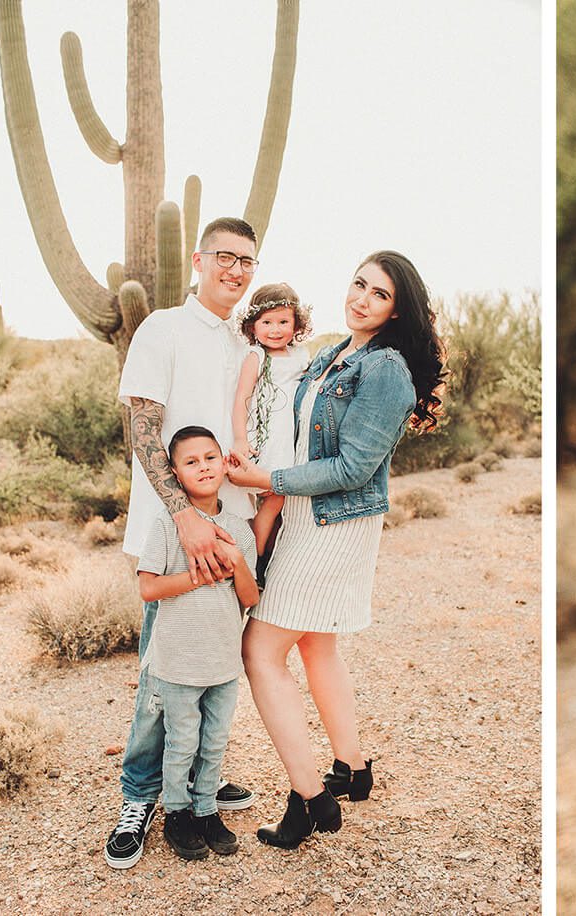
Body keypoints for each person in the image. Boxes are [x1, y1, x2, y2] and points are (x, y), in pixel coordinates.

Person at [226, 250, 447, 849]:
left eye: (379, 295)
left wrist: (266, 481)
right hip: (306, 512)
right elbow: (299, 435)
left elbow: (351, 467)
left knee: (261, 650)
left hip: (334, 522)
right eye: (359, 285)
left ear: (398, 310)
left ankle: (309, 798)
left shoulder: (386, 369)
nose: (362, 299)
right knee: (318, 644)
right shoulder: (333, 352)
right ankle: (352, 767)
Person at [107, 216, 262, 870]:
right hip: (172, 532)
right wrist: (184, 515)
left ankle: (198, 787)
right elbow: (143, 427)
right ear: (198, 259)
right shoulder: (162, 328)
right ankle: (140, 798)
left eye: (247, 261)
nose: (235, 270)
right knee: (160, 680)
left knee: (215, 666)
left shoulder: (244, 342)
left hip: (233, 526)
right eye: (225, 256)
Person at [132, 427, 259, 862]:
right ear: (174, 472)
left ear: (225, 462)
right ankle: (178, 813)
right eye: (191, 461)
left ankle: (206, 810)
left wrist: (238, 562)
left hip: (223, 660)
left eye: (210, 457)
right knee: (181, 741)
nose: (203, 467)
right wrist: (200, 576)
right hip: (177, 662)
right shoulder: (169, 526)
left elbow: (250, 597)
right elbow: (148, 589)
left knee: (214, 740)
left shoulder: (238, 529)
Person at [229, 282, 313, 565]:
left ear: (296, 324)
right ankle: (256, 558)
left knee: (282, 500)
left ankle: (266, 556)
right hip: (268, 437)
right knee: (273, 497)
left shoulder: (301, 356)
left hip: (291, 438)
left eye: (283, 322)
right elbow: (242, 397)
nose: (275, 329)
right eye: (267, 322)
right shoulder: (257, 356)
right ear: (253, 326)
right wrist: (241, 439)